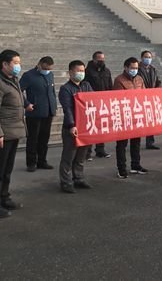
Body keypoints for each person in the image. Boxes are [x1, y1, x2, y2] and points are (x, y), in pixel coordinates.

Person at [0, 49, 27, 218]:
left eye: (19, 62)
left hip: (13, 132)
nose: (18, 66)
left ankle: (4, 198)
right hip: (2, 134)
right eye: (15, 63)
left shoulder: (13, 80)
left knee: (6, 170)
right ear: (5, 64)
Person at [58, 60, 94, 193]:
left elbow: (93, 100)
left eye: (82, 71)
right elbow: (67, 109)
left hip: (85, 126)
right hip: (72, 127)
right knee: (69, 156)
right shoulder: (66, 89)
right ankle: (66, 182)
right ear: (70, 72)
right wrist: (72, 125)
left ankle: (78, 178)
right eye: (78, 71)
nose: (81, 73)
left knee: (81, 156)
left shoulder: (86, 85)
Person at [20, 56, 57, 172]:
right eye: (45, 68)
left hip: (48, 112)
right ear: (39, 64)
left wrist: (54, 107)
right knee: (33, 139)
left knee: (44, 139)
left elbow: (52, 92)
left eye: (49, 69)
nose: (47, 71)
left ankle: (42, 161)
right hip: (34, 112)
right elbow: (18, 91)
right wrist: (26, 104)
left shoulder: (50, 75)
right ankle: (31, 163)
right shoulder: (28, 76)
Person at [114, 57, 148, 178]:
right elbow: (118, 98)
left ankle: (135, 165)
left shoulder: (139, 79)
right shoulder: (119, 80)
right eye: (132, 68)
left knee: (136, 142)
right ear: (126, 68)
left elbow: (144, 94)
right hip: (124, 116)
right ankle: (121, 169)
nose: (134, 70)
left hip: (136, 115)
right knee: (122, 144)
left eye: (136, 68)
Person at [84, 51, 112, 159]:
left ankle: (100, 150)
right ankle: (87, 152)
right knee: (91, 128)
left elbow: (110, 86)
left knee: (101, 127)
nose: (102, 61)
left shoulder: (107, 71)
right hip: (91, 103)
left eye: (103, 59)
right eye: (100, 59)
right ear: (94, 59)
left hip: (103, 103)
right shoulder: (87, 71)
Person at [138, 50, 162, 149]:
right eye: (146, 57)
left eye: (149, 57)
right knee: (139, 121)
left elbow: (158, 81)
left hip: (151, 98)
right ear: (142, 58)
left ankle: (150, 142)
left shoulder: (153, 69)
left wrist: (157, 90)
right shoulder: (137, 69)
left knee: (151, 120)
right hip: (140, 98)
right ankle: (136, 142)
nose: (148, 59)